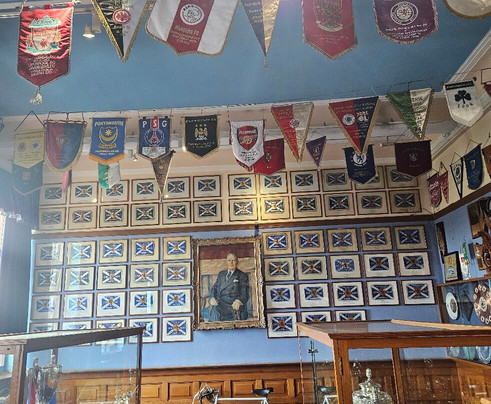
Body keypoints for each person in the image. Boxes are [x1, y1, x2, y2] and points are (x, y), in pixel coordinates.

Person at [208, 253, 249, 321]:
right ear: (226, 262)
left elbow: (245, 293)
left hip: (232, 305)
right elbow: (214, 288)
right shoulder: (221, 274)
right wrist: (212, 297)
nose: (231, 263)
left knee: (216, 313)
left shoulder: (242, 275)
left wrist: (239, 300)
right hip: (219, 303)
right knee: (214, 310)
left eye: (234, 260)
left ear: (237, 262)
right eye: (229, 260)